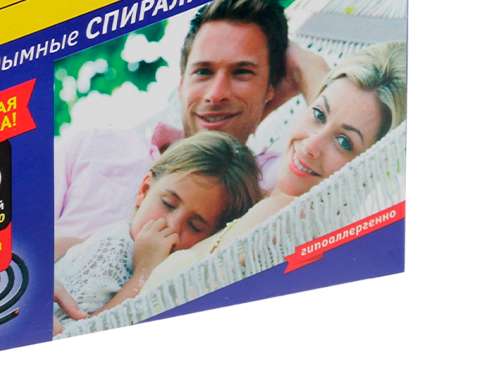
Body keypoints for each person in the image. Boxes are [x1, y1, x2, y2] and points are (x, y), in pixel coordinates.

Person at [54, 0, 329, 249]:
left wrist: (304, 66)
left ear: (271, 87)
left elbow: (338, 144)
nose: (216, 94)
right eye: (203, 72)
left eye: (242, 72)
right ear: (181, 83)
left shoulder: (264, 183)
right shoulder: (95, 147)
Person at [140, 42, 407, 291]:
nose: (310, 145)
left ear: (370, 165)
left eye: (344, 142)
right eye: (318, 114)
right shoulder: (271, 179)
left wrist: (144, 269)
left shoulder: (287, 220)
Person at [53, 131, 261, 334]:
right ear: (144, 190)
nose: (172, 226)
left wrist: (143, 273)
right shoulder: (113, 235)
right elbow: (69, 247)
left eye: (194, 226)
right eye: (168, 204)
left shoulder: (165, 282)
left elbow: (82, 334)